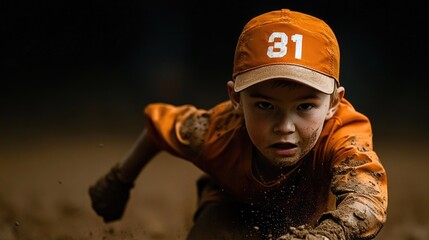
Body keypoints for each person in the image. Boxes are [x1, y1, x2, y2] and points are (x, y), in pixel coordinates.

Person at [88, 8, 388, 240]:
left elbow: (367, 203)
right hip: (231, 201)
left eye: (305, 106)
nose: (284, 126)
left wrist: (325, 235)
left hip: (315, 225)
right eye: (264, 105)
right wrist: (119, 181)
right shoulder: (218, 129)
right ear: (235, 98)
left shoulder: (345, 135)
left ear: (334, 103)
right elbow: (158, 128)